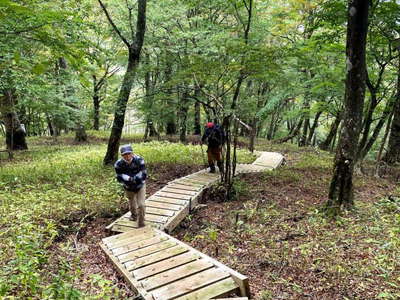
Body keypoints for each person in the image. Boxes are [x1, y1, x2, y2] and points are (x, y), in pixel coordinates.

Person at [114, 144, 147, 227]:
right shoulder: (118, 164)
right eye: (125, 154)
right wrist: (128, 179)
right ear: (122, 156)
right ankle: (133, 215)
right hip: (128, 187)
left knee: (141, 205)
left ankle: (141, 223)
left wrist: (133, 179)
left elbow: (144, 174)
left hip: (140, 185)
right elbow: (119, 178)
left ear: (132, 153)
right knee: (132, 204)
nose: (127, 156)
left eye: (129, 153)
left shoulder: (139, 160)